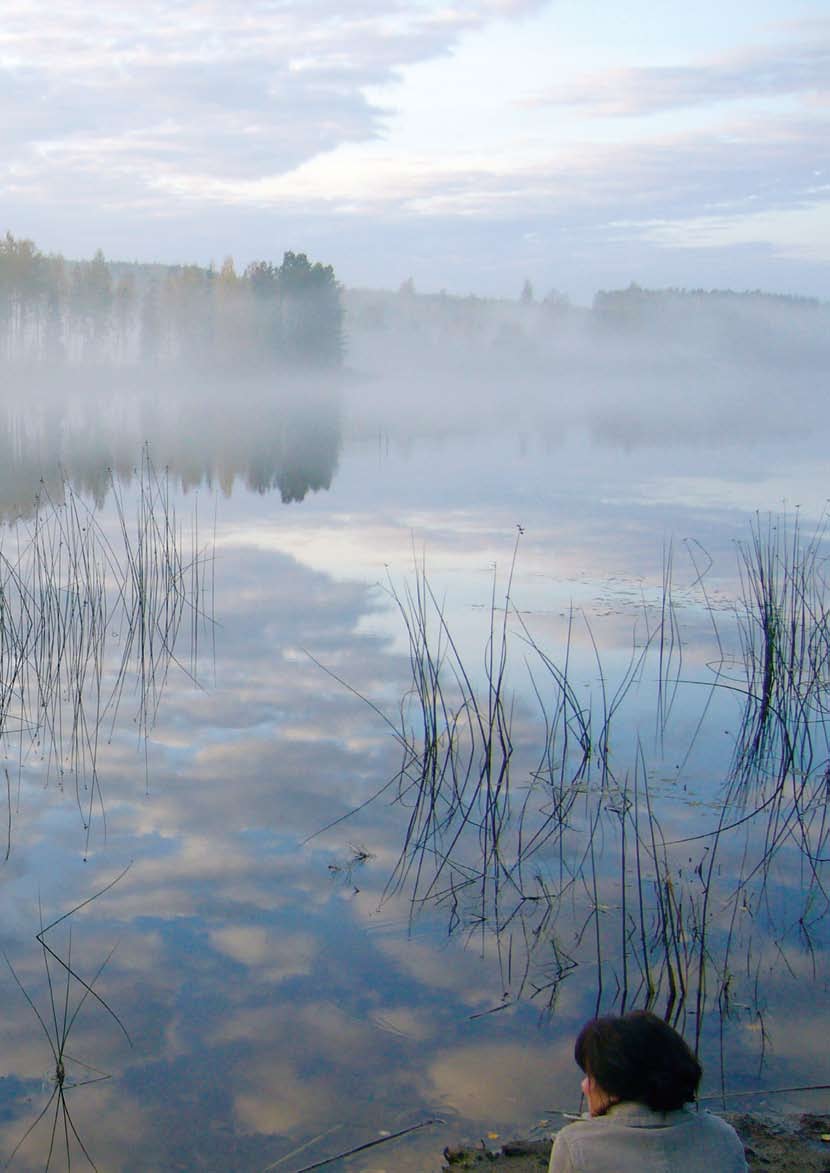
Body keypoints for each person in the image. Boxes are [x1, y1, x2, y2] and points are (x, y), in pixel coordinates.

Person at [548, 1010, 747, 1172]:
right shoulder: (724, 1137)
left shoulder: (575, 1145)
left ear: (615, 1083)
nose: (585, 1086)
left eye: (591, 1076)